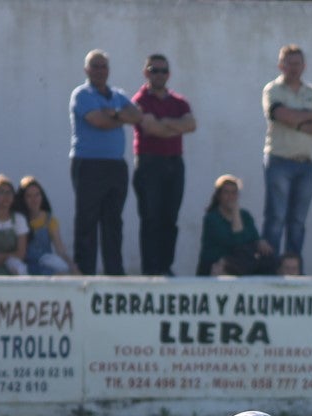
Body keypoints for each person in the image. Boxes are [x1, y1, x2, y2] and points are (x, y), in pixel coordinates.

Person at [69, 49, 141, 275]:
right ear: (86, 70)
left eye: (103, 66)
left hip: (115, 166)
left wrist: (115, 114)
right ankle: (85, 272)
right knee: (87, 220)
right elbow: (99, 121)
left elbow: (137, 116)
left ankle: (114, 272)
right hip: (89, 164)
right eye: (95, 66)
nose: (99, 71)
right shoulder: (82, 95)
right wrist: (120, 117)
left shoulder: (117, 95)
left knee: (113, 221)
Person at [261, 44, 312, 260]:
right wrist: (309, 117)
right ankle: (269, 268)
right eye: (289, 63)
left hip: (306, 164)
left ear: (304, 66)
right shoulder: (272, 90)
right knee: (276, 217)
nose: (293, 68)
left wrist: (296, 121)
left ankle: (293, 267)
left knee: (298, 221)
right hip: (279, 161)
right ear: (281, 66)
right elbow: (281, 115)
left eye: (297, 63)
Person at [132, 53, 196, 276]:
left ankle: (165, 267)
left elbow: (191, 125)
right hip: (149, 163)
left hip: (174, 163)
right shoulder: (140, 100)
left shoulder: (179, 101)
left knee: (170, 218)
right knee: (151, 218)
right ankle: (151, 269)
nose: (159, 75)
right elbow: (151, 128)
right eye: (154, 70)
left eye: (163, 71)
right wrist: (175, 126)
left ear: (169, 74)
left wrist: (165, 123)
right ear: (146, 72)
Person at [197, 175, 277, 276]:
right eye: (226, 192)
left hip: (240, 261)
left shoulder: (245, 215)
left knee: (268, 257)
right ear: (219, 195)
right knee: (240, 255)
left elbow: (253, 237)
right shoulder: (212, 218)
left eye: (234, 193)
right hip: (217, 262)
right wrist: (235, 212)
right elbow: (236, 242)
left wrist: (260, 241)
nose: (230, 197)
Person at [14, 176, 76, 275]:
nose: (34, 200)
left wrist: (73, 268)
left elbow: (60, 250)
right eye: (29, 196)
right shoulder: (18, 220)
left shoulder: (49, 220)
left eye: (37, 195)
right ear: (23, 199)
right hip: (25, 267)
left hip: (46, 265)